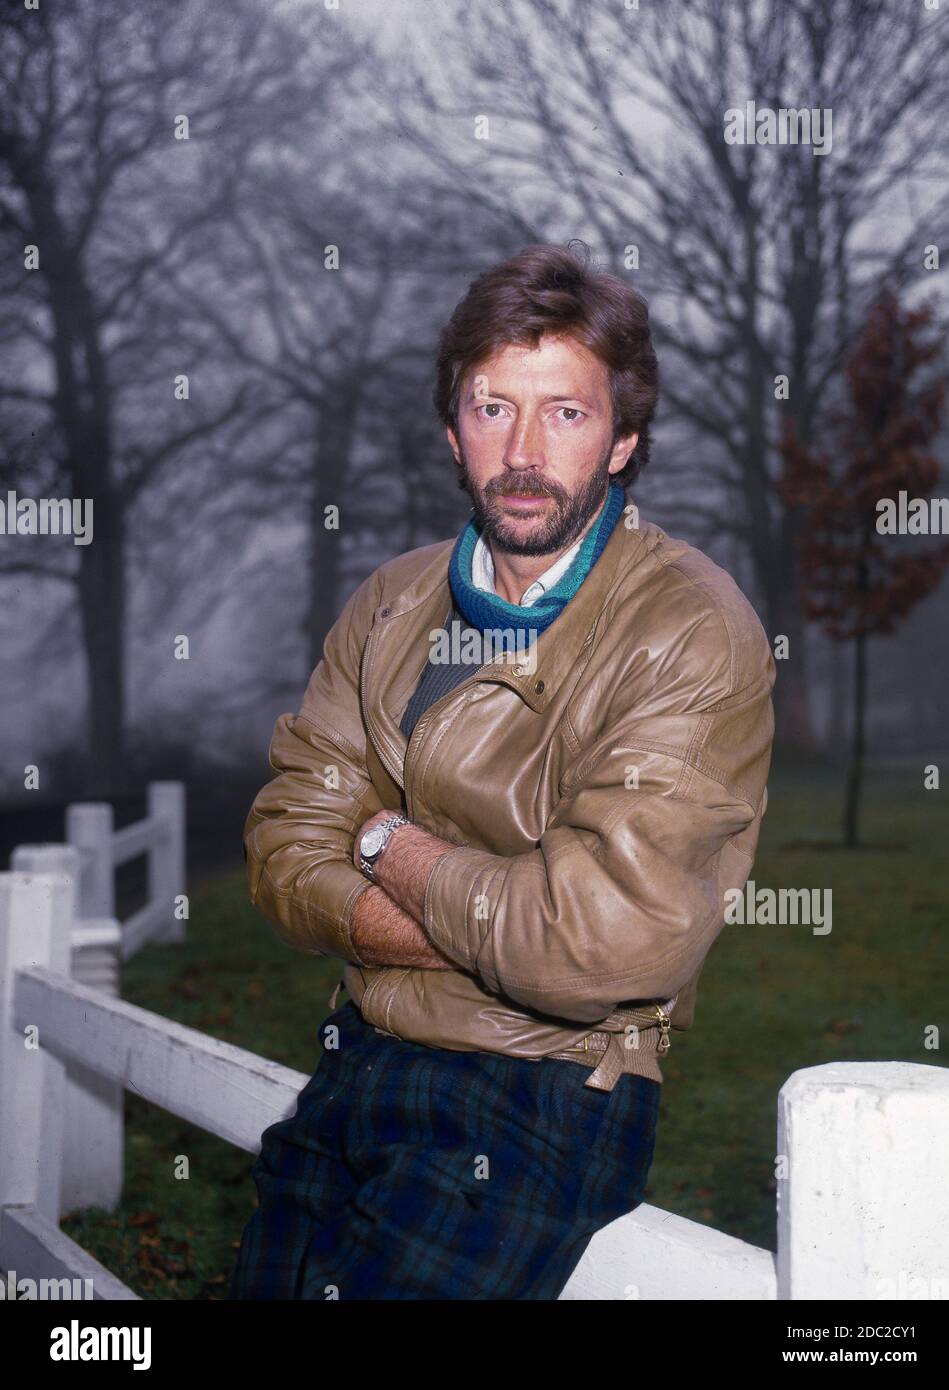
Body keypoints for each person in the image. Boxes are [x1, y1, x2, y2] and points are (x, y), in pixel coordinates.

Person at [229, 242, 775, 1300]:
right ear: (451, 428)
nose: (522, 449)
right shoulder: (390, 601)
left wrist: (384, 841)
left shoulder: (688, 629)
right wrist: (502, 916)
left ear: (622, 440)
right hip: (355, 1056)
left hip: (543, 1090)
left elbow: (595, 946)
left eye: (565, 413)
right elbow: (282, 849)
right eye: (492, 407)